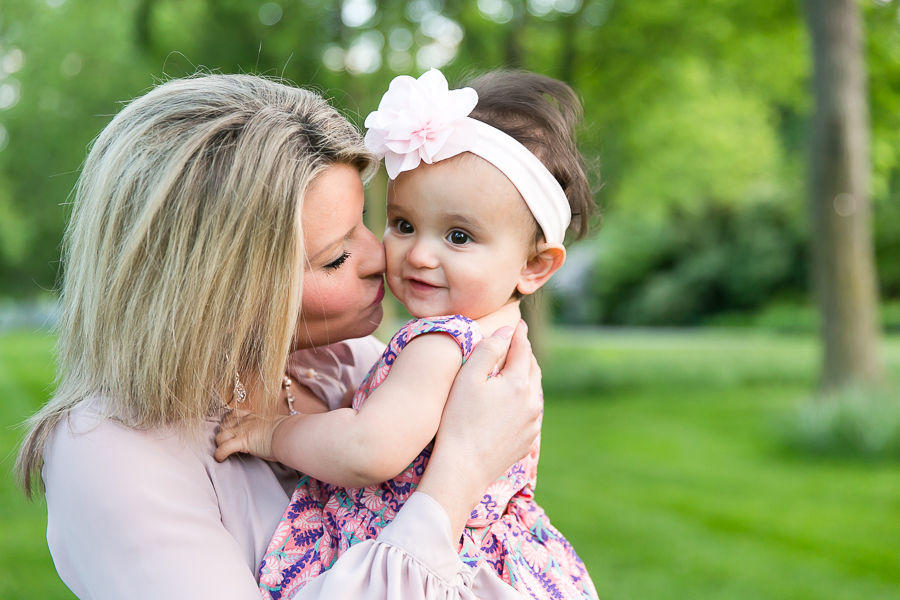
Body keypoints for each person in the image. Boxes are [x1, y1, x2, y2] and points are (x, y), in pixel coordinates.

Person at [14, 73, 544, 600]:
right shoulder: (114, 454)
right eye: (337, 257)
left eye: (368, 220)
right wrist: (460, 476)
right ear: (218, 294)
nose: (382, 257)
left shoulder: (350, 361)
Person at [215, 69, 598, 600]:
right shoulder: (501, 338)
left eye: (458, 236)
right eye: (403, 224)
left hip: (417, 553)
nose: (418, 254)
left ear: (534, 266)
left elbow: (368, 448)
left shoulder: (441, 341)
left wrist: (271, 432)